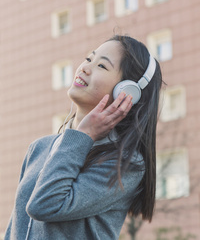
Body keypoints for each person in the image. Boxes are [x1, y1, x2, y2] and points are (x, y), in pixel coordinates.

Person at [4, 35, 162, 240]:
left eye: (102, 66)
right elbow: (15, 227)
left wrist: (83, 135)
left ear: (127, 92)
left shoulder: (126, 162)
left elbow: (44, 205)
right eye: (88, 59)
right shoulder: (40, 147)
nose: (85, 68)